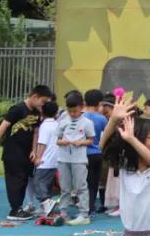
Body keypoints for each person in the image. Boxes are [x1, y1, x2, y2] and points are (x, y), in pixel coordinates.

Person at [0, 84, 52, 220]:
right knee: (14, 180)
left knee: (23, 179)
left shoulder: (37, 113)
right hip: (12, 152)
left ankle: (19, 207)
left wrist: (34, 150)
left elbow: (35, 132)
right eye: (43, 101)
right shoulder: (17, 109)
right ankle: (14, 210)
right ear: (35, 97)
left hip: (26, 152)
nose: (43, 105)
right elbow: (3, 127)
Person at [56, 92, 96, 226]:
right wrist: (63, 142)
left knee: (81, 186)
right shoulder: (63, 120)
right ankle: (63, 212)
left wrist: (81, 142)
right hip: (63, 158)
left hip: (79, 159)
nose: (72, 113)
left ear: (82, 107)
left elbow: (91, 141)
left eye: (75, 111)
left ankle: (84, 214)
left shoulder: (87, 122)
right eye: (70, 111)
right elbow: (58, 139)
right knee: (65, 187)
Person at [32, 100, 60, 216]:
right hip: (55, 159)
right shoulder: (57, 124)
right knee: (47, 183)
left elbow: (42, 143)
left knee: (38, 182)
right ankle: (46, 206)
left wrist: (38, 157)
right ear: (56, 112)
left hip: (45, 160)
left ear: (42, 113)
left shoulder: (44, 126)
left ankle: (46, 201)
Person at [84, 90, 108, 213]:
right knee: (93, 184)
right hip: (96, 153)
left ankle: (82, 207)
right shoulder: (102, 119)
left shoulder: (79, 117)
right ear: (99, 103)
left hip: (81, 154)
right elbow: (108, 134)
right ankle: (90, 208)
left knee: (81, 183)